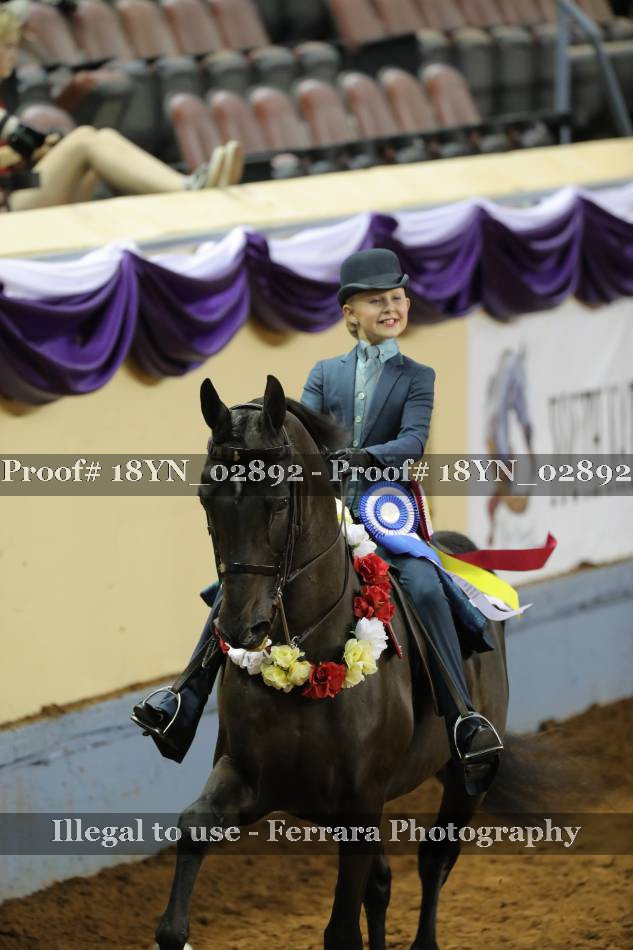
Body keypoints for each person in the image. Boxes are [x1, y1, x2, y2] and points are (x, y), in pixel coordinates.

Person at [132, 248, 504, 792]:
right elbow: (296, 438)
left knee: (425, 586)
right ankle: (184, 699)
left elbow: (412, 442)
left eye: (397, 297)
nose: (391, 307)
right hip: (326, 519)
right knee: (233, 586)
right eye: (376, 301)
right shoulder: (325, 374)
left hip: (386, 516)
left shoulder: (417, 377)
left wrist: (365, 457)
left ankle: (462, 716)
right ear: (350, 313)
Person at [0, 6, 243, 211]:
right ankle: (188, 188)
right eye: (9, 47)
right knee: (83, 141)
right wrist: (18, 153)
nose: (14, 56)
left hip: (19, 186)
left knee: (99, 142)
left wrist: (39, 150)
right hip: (6, 206)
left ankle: (186, 185)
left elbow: (18, 151)